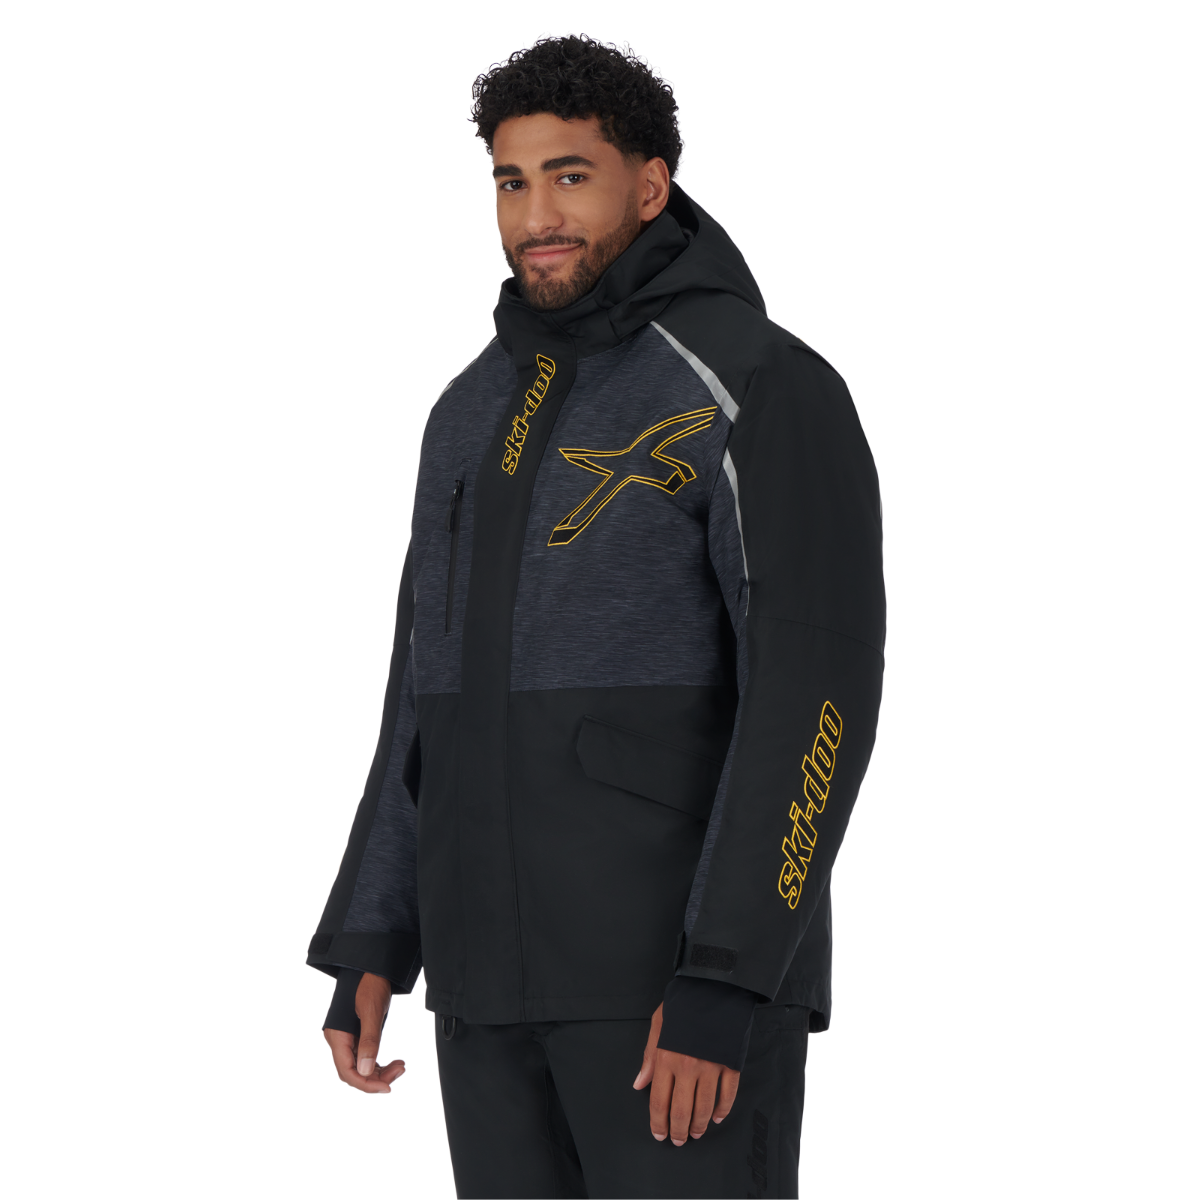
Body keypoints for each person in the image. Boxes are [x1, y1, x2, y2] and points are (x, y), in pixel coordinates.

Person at [307, 31, 885, 1198]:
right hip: (485, 994)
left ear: (651, 183)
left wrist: (727, 977)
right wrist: (374, 936)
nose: (537, 217)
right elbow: (421, 694)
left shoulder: (758, 382)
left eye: (571, 175)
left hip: (667, 1001)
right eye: (511, 182)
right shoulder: (466, 413)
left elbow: (814, 695)